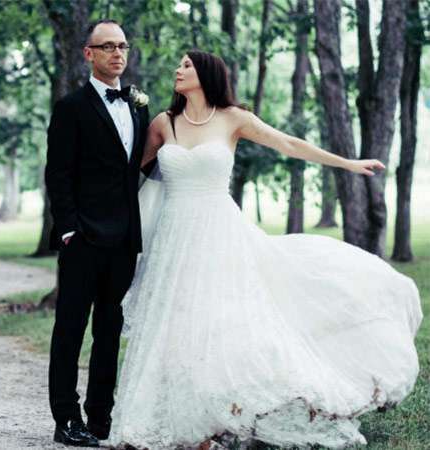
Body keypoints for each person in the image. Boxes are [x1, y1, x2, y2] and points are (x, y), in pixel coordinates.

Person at [107, 50, 423, 449]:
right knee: (175, 325)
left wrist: (348, 163)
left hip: (219, 233)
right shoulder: (162, 124)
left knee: (222, 323)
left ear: (206, 74)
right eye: (179, 65)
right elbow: (126, 174)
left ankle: (218, 415)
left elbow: (288, 143)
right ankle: (185, 421)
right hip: (174, 238)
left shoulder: (233, 118)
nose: (177, 70)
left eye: (186, 65)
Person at [44, 19, 149, 447]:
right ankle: (66, 420)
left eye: (122, 46)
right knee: (70, 329)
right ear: (88, 54)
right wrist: (69, 229)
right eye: (107, 46)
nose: (117, 53)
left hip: (124, 240)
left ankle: (100, 417)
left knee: (109, 330)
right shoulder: (71, 107)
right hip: (84, 238)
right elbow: (58, 173)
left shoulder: (139, 106)